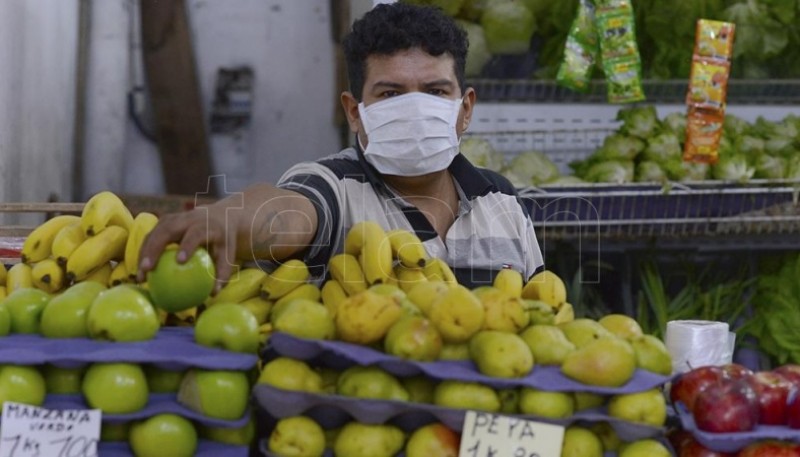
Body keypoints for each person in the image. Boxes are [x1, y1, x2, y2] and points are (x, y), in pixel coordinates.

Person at [138, 2, 544, 290]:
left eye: (436, 91)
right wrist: (230, 217)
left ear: (465, 108)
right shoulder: (333, 187)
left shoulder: (502, 200)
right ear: (354, 111)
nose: (416, 108)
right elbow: (286, 211)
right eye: (390, 94)